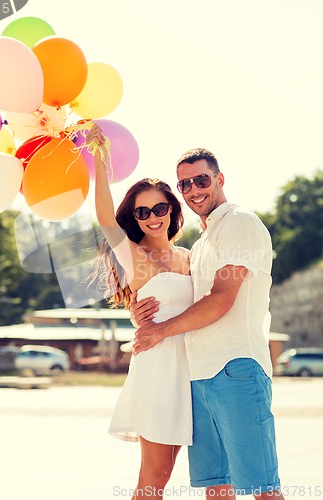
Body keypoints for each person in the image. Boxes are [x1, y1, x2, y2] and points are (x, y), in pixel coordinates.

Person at [132, 147, 284, 500]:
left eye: (201, 179)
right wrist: (140, 313)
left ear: (219, 179)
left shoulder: (239, 223)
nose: (194, 190)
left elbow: (221, 298)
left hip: (236, 368)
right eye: (184, 184)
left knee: (263, 489)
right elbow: (175, 295)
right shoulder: (201, 243)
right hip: (197, 376)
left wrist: (159, 331)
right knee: (216, 488)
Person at [85, 123, 194, 500]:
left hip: (196, 371)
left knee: (183, 472)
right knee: (154, 478)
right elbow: (104, 219)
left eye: (159, 207)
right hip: (159, 371)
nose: (151, 216)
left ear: (172, 208)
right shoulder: (136, 256)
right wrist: (99, 159)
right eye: (142, 210)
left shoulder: (190, 257)